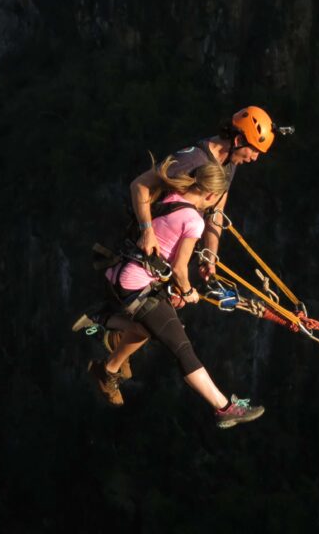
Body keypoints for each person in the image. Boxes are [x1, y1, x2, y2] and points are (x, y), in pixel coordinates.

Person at [88, 156, 265, 429]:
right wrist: (188, 291)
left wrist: (175, 287)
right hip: (138, 287)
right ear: (211, 194)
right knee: (182, 348)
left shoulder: (170, 198)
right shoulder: (194, 221)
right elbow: (181, 268)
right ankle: (225, 408)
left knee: (152, 332)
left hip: (124, 275)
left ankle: (102, 321)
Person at [130, 106, 277, 278]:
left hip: (170, 259)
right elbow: (139, 185)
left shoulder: (229, 164)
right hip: (147, 252)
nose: (255, 158)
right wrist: (146, 231)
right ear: (238, 141)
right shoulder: (192, 158)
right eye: (254, 150)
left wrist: (209, 258)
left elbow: (216, 213)